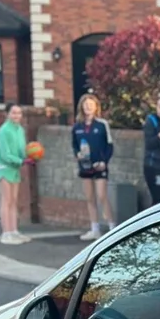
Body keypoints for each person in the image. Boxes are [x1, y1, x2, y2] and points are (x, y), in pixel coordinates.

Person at [71, 93, 115, 241]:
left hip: (100, 166)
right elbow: (74, 145)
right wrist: (77, 154)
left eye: (91, 105)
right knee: (90, 198)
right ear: (82, 107)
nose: (88, 107)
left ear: (96, 107)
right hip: (85, 166)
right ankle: (94, 229)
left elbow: (109, 146)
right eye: (86, 105)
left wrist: (104, 162)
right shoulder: (77, 127)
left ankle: (112, 228)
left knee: (102, 196)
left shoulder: (102, 124)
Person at [0, 103, 31, 246]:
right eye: (13, 113)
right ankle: (6, 233)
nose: (16, 116)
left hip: (15, 167)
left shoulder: (20, 130)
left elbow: (22, 149)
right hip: (4, 167)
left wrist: (28, 156)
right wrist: (21, 161)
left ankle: (14, 230)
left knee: (14, 200)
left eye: (19, 113)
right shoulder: (3, 131)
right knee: (6, 200)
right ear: (7, 114)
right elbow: (5, 154)